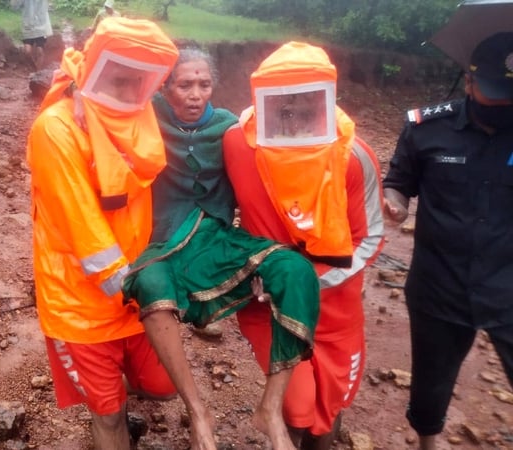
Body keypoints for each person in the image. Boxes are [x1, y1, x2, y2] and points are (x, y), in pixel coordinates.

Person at [120, 47, 321, 450]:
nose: (195, 94)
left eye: (204, 84)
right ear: (166, 86)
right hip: (160, 242)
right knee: (151, 285)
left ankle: (271, 407)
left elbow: (274, 172)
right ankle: (199, 413)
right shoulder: (143, 116)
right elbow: (99, 105)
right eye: (184, 85)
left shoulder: (231, 127)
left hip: (218, 240)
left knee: (295, 271)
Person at [26, 17, 180, 450]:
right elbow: (87, 235)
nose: (129, 89)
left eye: (139, 80)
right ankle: (106, 400)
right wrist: (147, 293)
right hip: (82, 303)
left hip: (134, 290)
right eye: (119, 76)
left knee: (164, 387)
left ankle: (117, 384)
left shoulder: (141, 114)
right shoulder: (55, 129)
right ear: (94, 69)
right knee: (109, 417)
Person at [222, 41, 384, 449]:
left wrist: (307, 280)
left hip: (335, 309)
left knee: (328, 409)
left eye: (306, 103)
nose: (293, 114)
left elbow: (371, 238)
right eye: (283, 105)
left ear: (327, 101)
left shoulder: (353, 157)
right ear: (261, 101)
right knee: (297, 408)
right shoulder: (238, 144)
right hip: (268, 304)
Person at [382, 31, 513, 450]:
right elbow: (398, 183)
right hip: (439, 283)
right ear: (469, 82)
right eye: (493, 92)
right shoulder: (427, 128)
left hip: (509, 284)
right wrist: (394, 204)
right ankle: (429, 445)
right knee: (431, 383)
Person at [21, 0, 52, 69]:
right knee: (27, 51)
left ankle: (39, 70)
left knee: (40, 50)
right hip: (28, 26)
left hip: (41, 26)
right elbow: (15, 5)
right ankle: (32, 66)